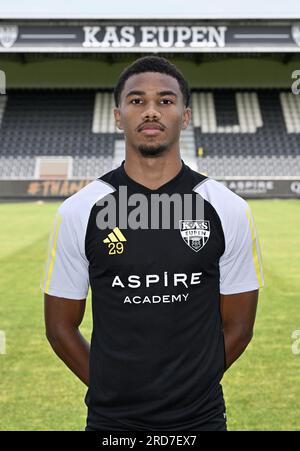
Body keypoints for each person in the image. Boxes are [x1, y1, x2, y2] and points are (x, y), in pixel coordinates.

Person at [43, 56, 264, 431]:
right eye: (136, 101)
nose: (151, 111)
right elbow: (60, 327)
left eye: (165, 100)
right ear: (117, 116)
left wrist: (189, 389)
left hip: (201, 420)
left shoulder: (228, 208)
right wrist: (111, 389)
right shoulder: (79, 210)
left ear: (186, 115)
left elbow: (239, 326)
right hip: (111, 424)